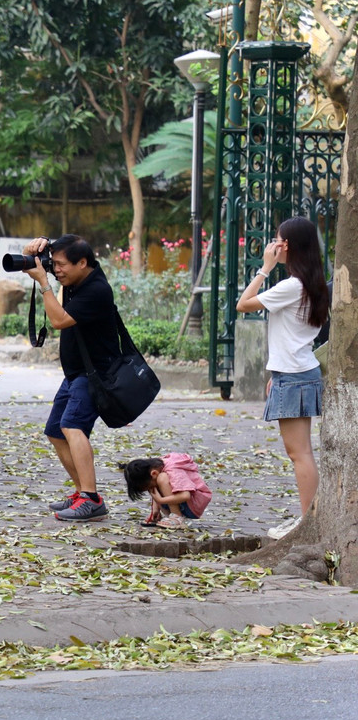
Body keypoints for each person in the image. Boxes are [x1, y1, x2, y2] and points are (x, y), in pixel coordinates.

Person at [236, 216, 330, 540]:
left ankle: (308, 523)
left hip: (294, 374)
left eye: (278, 239)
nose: (274, 245)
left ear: (287, 245)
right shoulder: (313, 283)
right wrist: (276, 372)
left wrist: (264, 267)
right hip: (294, 371)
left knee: (299, 453)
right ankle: (310, 519)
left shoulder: (291, 286)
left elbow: (243, 304)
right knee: (301, 452)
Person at [21, 235, 120, 521]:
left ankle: (91, 498)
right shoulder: (76, 280)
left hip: (96, 374)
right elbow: (35, 262)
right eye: (54, 265)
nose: (56, 270)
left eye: (62, 265)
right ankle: (82, 494)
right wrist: (31, 253)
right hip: (77, 373)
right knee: (55, 430)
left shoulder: (97, 289)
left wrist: (43, 283)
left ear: (82, 263)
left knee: (72, 426)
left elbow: (59, 321)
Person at [119, 453, 213, 529]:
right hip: (182, 503)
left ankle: (177, 517)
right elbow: (155, 489)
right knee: (155, 483)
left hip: (194, 503)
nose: (150, 490)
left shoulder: (172, 469)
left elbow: (185, 495)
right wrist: (155, 510)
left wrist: (160, 501)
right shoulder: (155, 467)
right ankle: (171, 517)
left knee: (161, 479)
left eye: (149, 488)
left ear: (154, 473)